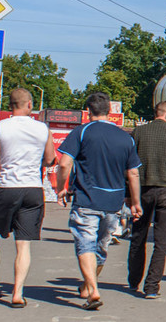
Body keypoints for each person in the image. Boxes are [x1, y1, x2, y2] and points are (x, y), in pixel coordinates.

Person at [56, 91, 142, 310]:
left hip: (86, 199)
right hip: (113, 202)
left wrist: (61, 189)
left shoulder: (82, 132)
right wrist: (135, 202)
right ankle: (89, 285)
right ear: (110, 111)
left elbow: (64, 163)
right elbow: (133, 173)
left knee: (85, 242)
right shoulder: (125, 137)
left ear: (87, 111)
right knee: (101, 247)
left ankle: (92, 289)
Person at [0, 89, 56, 307]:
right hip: (32, 189)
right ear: (29, 104)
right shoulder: (42, 128)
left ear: (11, 105)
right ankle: (17, 294)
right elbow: (49, 160)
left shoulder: (0, 127)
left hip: (5, 187)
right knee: (24, 244)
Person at [127, 100, 166, 299]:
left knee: (139, 235)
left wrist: (129, 195)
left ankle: (133, 279)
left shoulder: (138, 133)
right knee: (162, 241)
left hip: (142, 190)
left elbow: (129, 165)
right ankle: (152, 286)